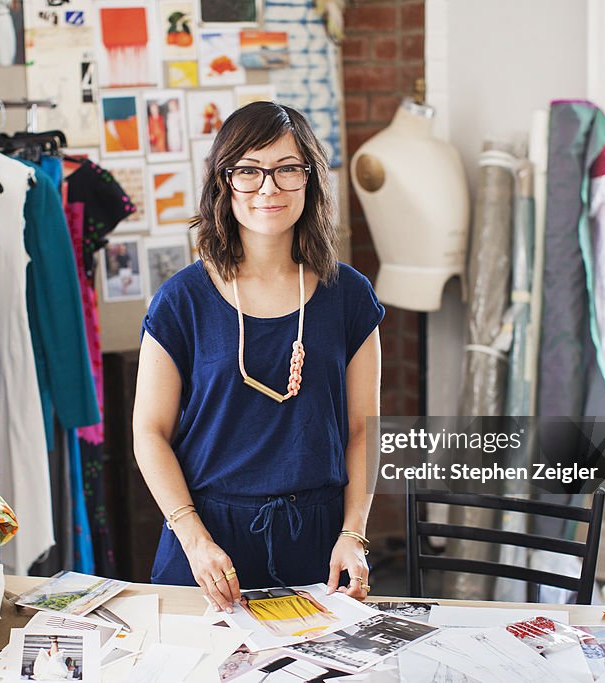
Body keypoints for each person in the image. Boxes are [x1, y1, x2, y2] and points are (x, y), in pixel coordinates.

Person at [134, 101, 383, 613]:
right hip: (207, 542)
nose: (268, 188)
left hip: (318, 542)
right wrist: (193, 538)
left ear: (309, 179)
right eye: (248, 170)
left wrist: (353, 534)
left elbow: (364, 430)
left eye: (287, 169)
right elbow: (148, 433)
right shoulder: (182, 300)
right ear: (224, 182)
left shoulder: (349, 296)